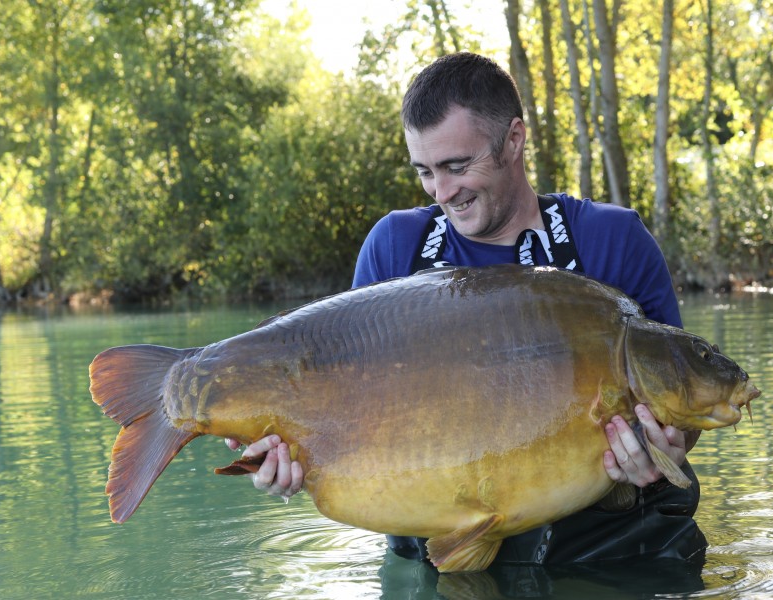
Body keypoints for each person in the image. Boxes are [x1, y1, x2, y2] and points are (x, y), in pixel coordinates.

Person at [226, 52, 706, 565]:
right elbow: (346, 410)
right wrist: (291, 459)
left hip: (605, 550)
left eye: (458, 166)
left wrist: (666, 450)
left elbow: (681, 395)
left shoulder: (611, 240)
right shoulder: (396, 247)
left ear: (514, 139)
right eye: (425, 171)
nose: (443, 191)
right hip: (437, 554)